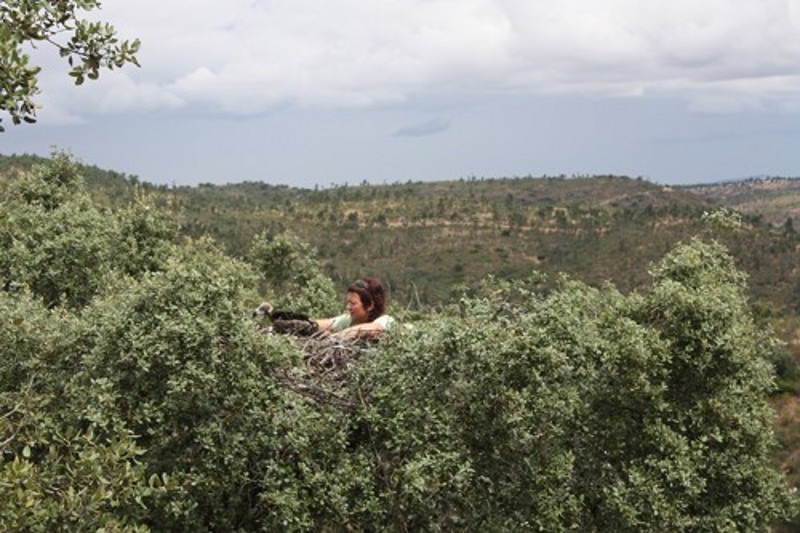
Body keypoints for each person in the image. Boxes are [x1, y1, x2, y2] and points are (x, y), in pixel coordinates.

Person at [315, 277, 396, 339]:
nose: (348, 307)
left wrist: (337, 337)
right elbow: (328, 323)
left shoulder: (387, 321)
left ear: (370, 305)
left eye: (353, 303)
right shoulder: (350, 319)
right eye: (348, 302)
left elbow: (374, 328)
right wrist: (308, 324)